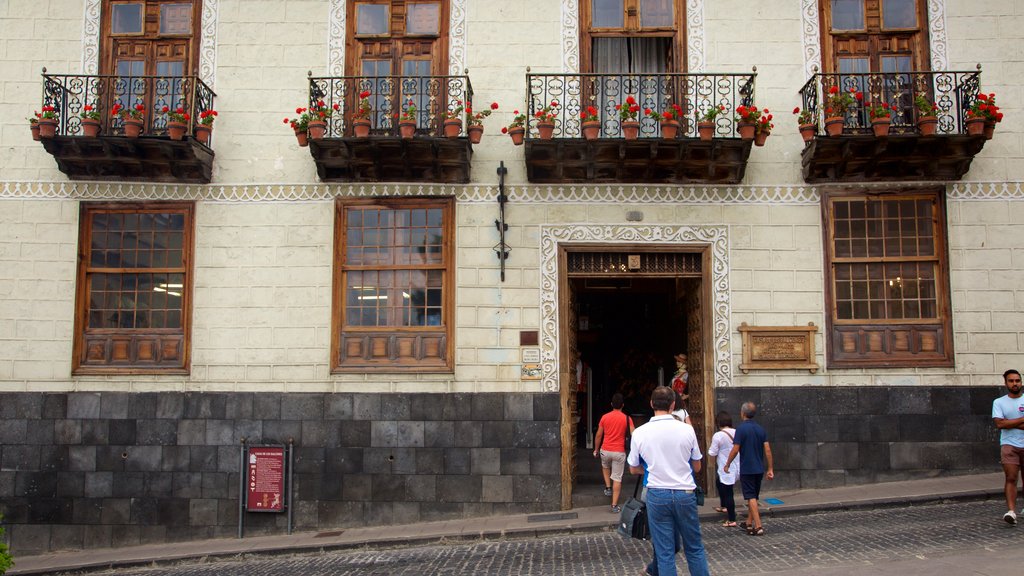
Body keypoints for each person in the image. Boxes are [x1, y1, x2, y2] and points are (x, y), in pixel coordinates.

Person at [627, 386, 709, 576]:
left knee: (664, 552)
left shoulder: (640, 432)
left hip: (657, 493)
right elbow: (697, 466)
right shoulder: (687, 430)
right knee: (694, 548)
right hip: (684, 493)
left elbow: (633, 468)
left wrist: (651, 468)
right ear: (673, 405)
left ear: (651, 404)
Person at [724, 401, 773, 536]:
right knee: (754, 497)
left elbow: (735, 449)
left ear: (743, 413)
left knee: (750, 497)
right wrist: (770, 468)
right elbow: (767, 450)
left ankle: (758, 526)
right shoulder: (760, 429)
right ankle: (748, 522)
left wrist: (727, 463)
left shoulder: (741, 429)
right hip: (759, 468)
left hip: (747, 468)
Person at [593, 392, 634, 513]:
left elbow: (599, 435)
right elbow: (634, 435)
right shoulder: (627, 418)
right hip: (619, 452)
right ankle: (614, 505)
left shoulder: (605, 417)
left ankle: (608, 487)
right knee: (617, 478)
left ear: (611, 404)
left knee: (605, 467)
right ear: (623, 405)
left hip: (605, 450)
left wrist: (596, 449)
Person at [992, 368, 1024, 525]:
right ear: (1006, 383)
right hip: (1009, 444)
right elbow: (999, 423)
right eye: (1011, 381)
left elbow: (1004, 422)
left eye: (1017, 380)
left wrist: (1009, 423)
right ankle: (1011, 511)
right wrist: (1021, 420)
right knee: (1011, 477)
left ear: (1021, 382)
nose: (1015, 383)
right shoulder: (999, 402)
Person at [707, 410, 739, 527]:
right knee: (718, 482)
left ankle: (732, 518)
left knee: (728, 492)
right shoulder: (736, 432)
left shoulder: (718, 435)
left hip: (726, 467)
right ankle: (724, 505)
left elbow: (713, 452)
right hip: (737, 465)